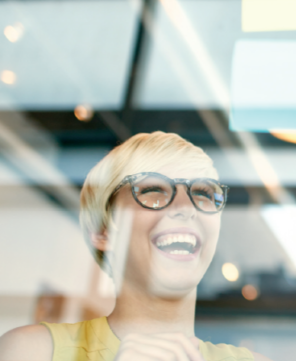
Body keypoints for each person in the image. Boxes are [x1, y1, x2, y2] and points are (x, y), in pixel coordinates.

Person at [0, 132, 270, 361]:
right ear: (103, 231)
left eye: (203, 193)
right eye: (153, 190)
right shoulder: (32, 352)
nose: (187, 207)